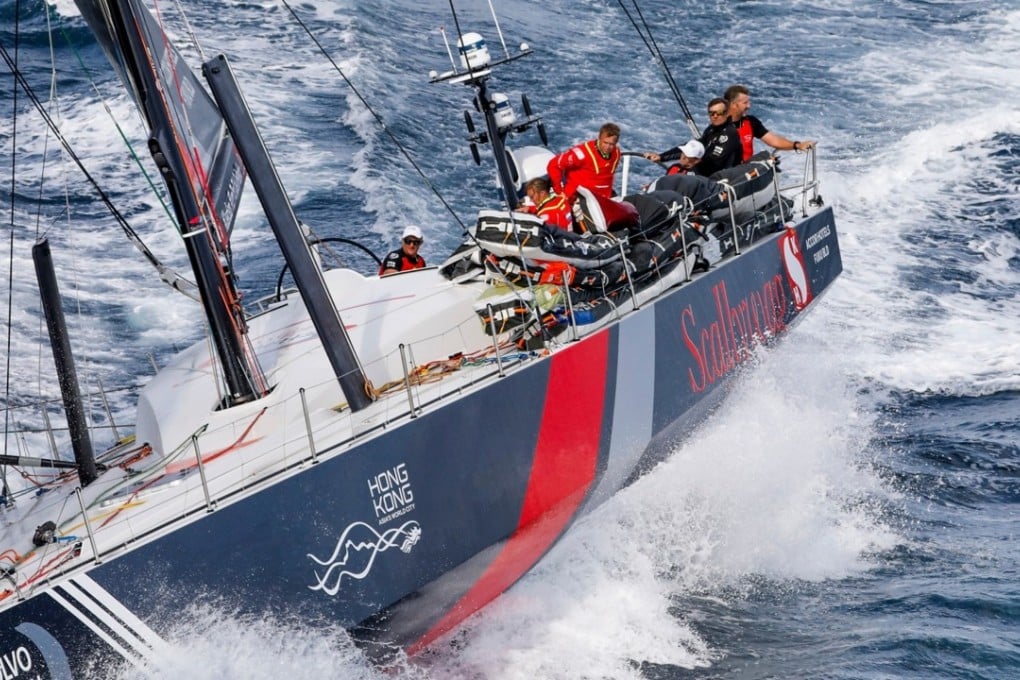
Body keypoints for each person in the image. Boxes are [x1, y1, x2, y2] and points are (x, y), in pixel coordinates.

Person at [723, 84, 816, 163]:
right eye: (745, 103)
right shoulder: (718, 126)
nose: (749, 106)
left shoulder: (751, 122)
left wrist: (797, 145)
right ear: (733, 104)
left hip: (745, 173)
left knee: (769, 159)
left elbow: (774, 141)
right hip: (725, 176)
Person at [546, 122, 621, 202]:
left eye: (611, 144)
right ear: (599, 138)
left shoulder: (616, 153)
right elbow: (553, 165)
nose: (607, 147)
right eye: (605, 142)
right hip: (581, 198)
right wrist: (559, 191)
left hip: (604, 197)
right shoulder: (581, 154)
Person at [695, 97, 742, 176]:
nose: (715, 116)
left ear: (727, 113)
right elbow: (696, 146)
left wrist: (692, 161)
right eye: (711, 113)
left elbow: (715, 162)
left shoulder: (730, 133)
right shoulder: (710, 130)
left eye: (719, 112)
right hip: (705, 173)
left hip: (723, 178)